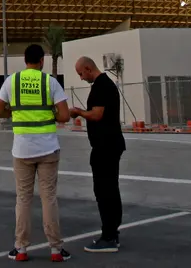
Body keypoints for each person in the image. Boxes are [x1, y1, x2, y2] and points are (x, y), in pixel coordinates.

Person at [0, 44, 72, 262]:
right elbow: (64, 116)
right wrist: (50, 113)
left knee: (23, 199)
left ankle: (21, 249)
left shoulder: (12, 81)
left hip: (22, 150)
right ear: (42, 61)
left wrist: (15, 112)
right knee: (49, 199)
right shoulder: (50, 81)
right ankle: (56, 249)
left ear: (25, 60)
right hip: (48, 149)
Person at [71, 57, 126, 254]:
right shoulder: (103, 85)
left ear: (88, 68)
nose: (80, 77)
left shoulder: (102, 86)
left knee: (105, 191)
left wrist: (78, 112)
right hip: (107, 145)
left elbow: (97, 114)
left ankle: (109, 236)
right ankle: (112, 231)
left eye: (80, 73)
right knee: (109, 189)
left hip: (106, 146)